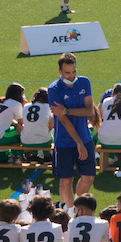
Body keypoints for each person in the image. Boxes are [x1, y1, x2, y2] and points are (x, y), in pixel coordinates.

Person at [46, 52, 98, 202]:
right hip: (64, 142)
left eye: (74, 71)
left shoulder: (84, 82)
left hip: (85, 137)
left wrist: (67, 110)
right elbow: (63, 120)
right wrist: (78, 143)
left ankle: (77, 206)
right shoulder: (54, 89)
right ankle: (67, 212)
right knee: (66, 180)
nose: (71, 75)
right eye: (67, 72)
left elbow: (89, 111)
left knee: (88, 177)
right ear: (60, 71)